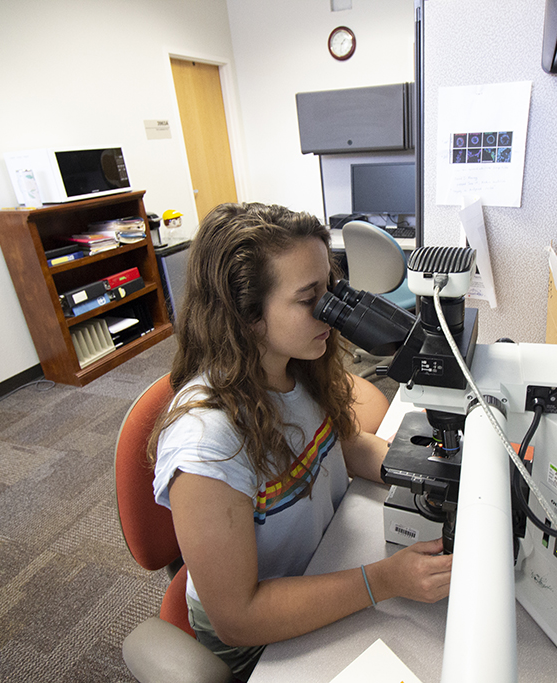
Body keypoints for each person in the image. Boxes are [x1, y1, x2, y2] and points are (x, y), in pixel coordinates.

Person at [148, 202, 452, 680]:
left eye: (331, 290)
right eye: (309, 298)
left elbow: (345, 445)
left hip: (328, 560)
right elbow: (238, 618)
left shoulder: (296, 366)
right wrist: (383, 581)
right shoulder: (208, 445)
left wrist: (433, 471)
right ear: (248, 316)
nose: (329, 311)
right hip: (262, 640)